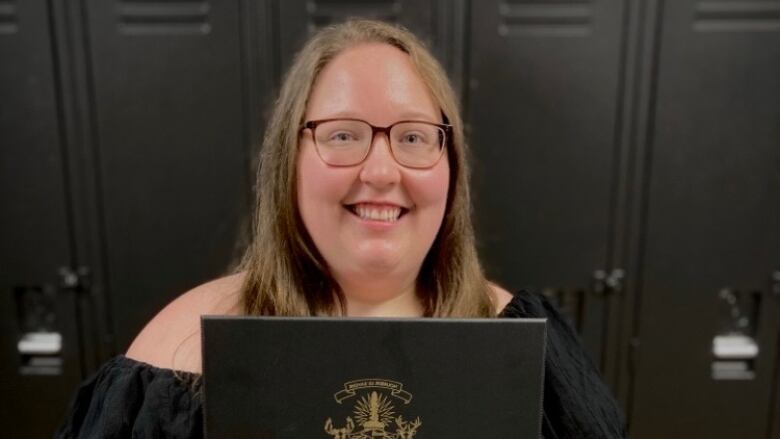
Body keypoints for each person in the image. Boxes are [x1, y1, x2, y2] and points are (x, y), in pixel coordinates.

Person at [56, 19, 626, 438]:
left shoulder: (528, 344)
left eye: (412, 137)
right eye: (343, 135)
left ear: (451, 169)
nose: (380, 171)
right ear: (288, 161)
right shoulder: (175, 362)